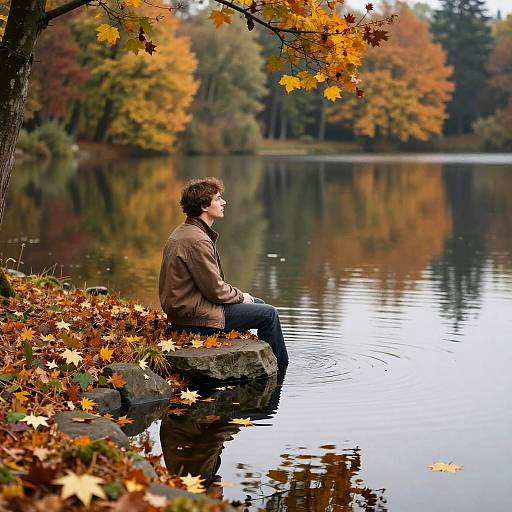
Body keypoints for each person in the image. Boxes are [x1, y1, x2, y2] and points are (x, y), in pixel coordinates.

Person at [159, 177, 288, 367]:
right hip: (193, 319)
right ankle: (280, 369)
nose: (223, 202)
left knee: (259, 304)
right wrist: (240, 296)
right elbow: (216, 291)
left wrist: (241, 297)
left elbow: (211, 287)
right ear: (204, 206)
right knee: (269, 314)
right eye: (218, 199)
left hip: (189, 310)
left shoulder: (187, 232)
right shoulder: (197, 240)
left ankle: (265, 361)